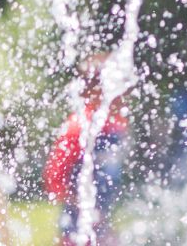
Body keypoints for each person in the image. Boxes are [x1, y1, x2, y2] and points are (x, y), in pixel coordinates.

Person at [43, 53, 129, 245]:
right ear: (94, 90)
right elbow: (54, 178)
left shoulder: (115, 125)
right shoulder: (79, 127)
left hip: (101, 222)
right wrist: (84, 208)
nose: (124, 93)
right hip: (77, 226)